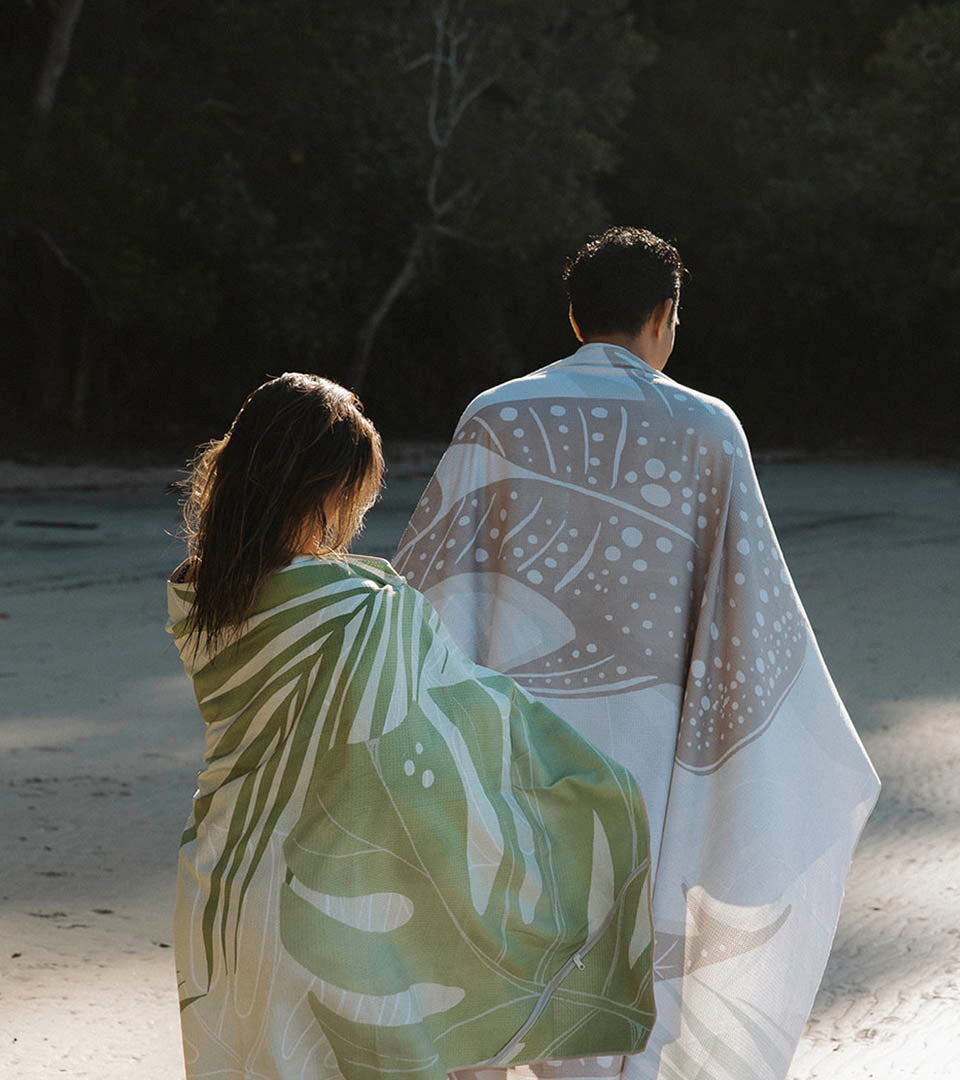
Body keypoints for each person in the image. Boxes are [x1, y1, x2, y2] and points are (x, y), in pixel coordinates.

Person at [394, 227, 881, 1080]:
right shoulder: (706, 429)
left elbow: (426, 602)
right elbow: (747, 614)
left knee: (495, 996)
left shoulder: (495, 416)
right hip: (644, 779)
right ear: (666, 316)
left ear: (576, 318)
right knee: (616, 1027)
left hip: (507, 768)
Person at [166, 372, 657, 1080]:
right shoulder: (364, 607)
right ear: (329, 491)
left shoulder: (197, 590)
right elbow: (455, 736)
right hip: (334, 916)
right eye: (353, 495)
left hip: (224, 891)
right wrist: (596, 788)